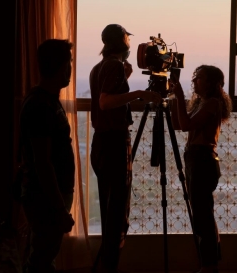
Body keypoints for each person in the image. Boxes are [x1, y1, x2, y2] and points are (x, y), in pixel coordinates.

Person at [89, 24, 163, 273]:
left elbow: (106, 96)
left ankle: (106, 265)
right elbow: (106, 101)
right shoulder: (113, 65)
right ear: (121, 42)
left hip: (101, 143)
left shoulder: (99, 67)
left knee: (110, 211)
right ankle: (109, 267)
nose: (132, 45)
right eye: (127, 40)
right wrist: (140, 93)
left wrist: (126, 79)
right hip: (113, 143)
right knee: (118, 214)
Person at [19, 39, 75, 273]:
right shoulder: (41, 106)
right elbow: (43, 163)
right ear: (62, 67)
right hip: (46, 198)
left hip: (49, 196)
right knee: (41, 259)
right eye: (69, 63)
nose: (70, 69)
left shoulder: (46, 100)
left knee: (43, 253)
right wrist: (60, 208)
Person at [170, 65, 232, 273]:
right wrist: (172, 100)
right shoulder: (203, 103)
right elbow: (179, 124)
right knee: (203, 213)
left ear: (212, 84)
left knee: (202, 216)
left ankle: (209, 265)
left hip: (202, 160)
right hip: (195, 159)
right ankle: (210, 263)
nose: (195, 81)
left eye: (200, 78)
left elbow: (186, 125)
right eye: (195, 77)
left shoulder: (212, 104)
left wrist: (179, 98)